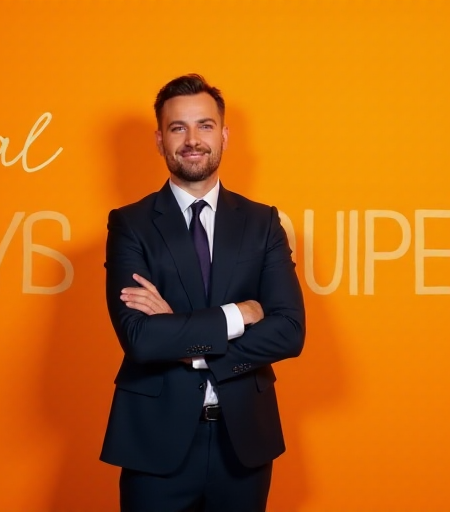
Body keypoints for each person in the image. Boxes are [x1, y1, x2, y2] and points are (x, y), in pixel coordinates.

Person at [100, 74, 306, 512]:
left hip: (243, 445)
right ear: (160, 140)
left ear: (225, 135)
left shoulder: (262, 222)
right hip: (154, 445)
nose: (192, 140)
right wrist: (239, 314)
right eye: (178, 128)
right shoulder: (129, 224)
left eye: (205, 126)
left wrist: (182, 340)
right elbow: (140, 339)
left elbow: (289, 331)